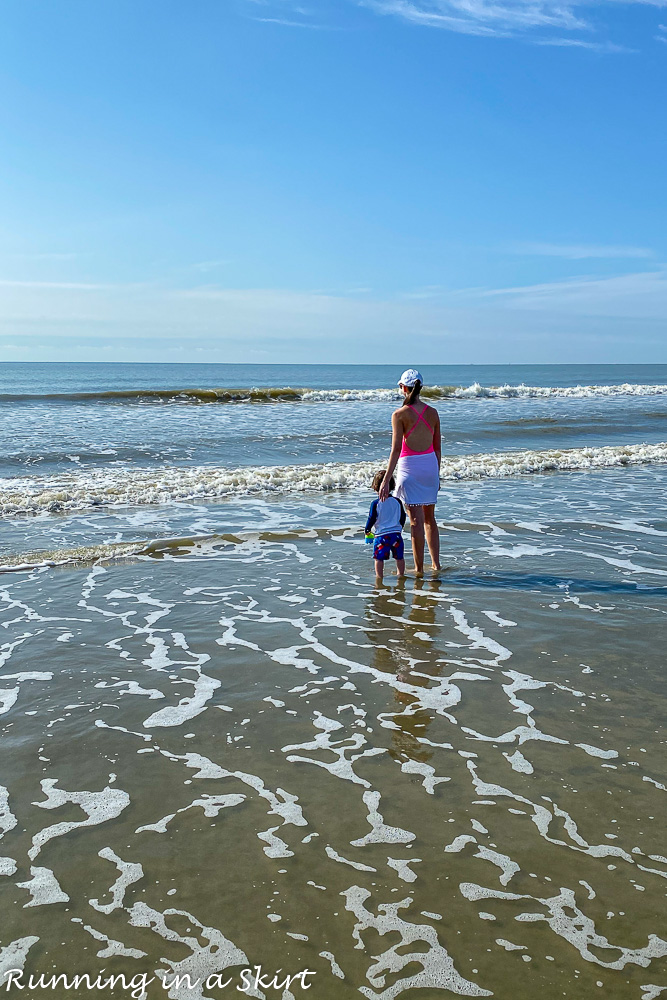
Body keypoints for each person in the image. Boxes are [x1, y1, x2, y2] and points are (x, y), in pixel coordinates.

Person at [378, 369, 441, 576]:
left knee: (415, 521)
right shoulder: (433, 412)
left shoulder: (399, 414)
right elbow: (437, 447)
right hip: (430, 467)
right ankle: (436, 565)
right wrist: (436, 474)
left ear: (404, 388)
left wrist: (386, 480)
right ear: (420, 388)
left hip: (410, 469)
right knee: (430, 519)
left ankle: (420, 569)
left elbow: (396, 450)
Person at [365, 470, 407, 581]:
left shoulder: (376, 503)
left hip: (381, 536)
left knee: (379, 558)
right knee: (399, 557)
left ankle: (379, 577)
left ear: (375, 486)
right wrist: (400, 528)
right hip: (396, 535)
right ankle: (400, 575)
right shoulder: (397, 501)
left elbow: (372, 518)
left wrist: (367, 529)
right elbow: (403, 517)